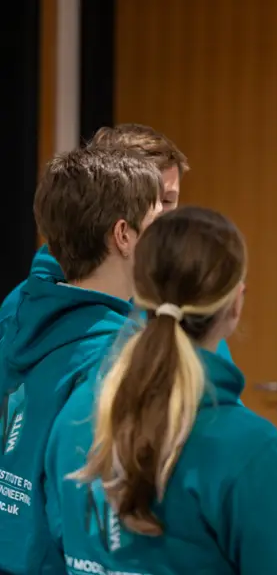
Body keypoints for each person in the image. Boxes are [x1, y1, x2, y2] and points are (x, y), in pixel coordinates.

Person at [45, 206, 277, 575]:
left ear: (141, 291)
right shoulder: (244, 445)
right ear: (236, 302)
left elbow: (57, 536)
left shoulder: (77, 412)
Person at [0, 147, 164, 574]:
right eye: (155, 220)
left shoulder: (19, 307)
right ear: (124, 234)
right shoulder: (114, 354)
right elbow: (94, 502)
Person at [0, 123, 233, 363]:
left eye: (168, 201)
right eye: (149, 202)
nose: (160, 218)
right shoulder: (22, 308)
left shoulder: (185, 298)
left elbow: (215, 388)